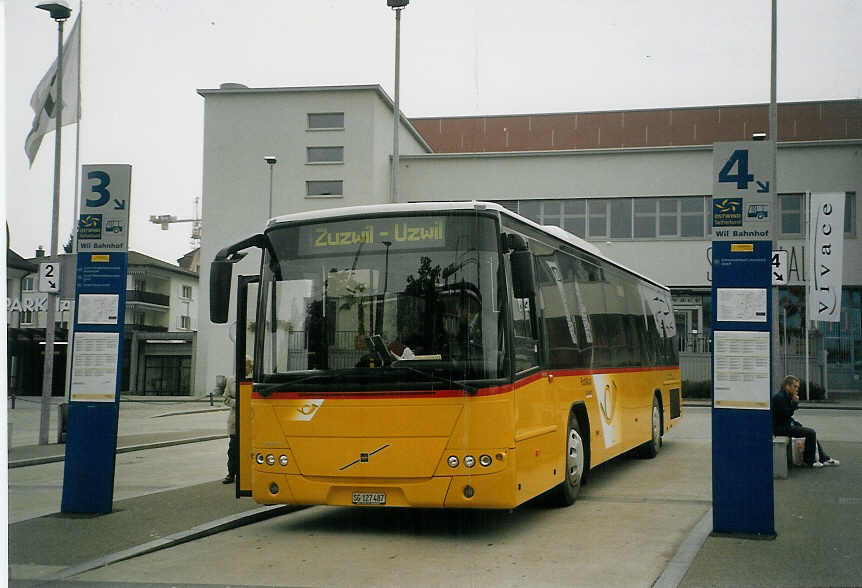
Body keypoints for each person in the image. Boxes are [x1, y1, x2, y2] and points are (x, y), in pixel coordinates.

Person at [772, 374, 839, 468]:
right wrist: (794, 403)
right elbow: (787, 413)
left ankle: (824, 458)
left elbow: (786, 415)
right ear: (787, 386)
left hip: (785, 425)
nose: (797, 389)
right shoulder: (779, 397)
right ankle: (810, 461)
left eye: (797, 387)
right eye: (795, 386)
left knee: (809, 432)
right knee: (811, 433)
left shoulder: (785, 395)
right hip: (780, 428)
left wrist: (794, 421)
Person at [222, 356, 253, 484]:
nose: (244, 367)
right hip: (236, 420)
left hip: (251, 420)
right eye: (242, 364)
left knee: (249, 449)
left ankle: (247, 473)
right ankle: (231, 473)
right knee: (233, 449)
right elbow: (226, 399)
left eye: (247, 365)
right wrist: (239, 402)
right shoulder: (231, 380)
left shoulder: (254, 380)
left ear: (250, 368)